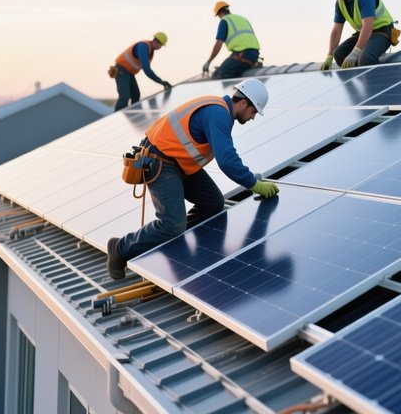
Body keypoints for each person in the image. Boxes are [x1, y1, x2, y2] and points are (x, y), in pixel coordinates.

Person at [106, 79, 279, 278]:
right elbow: (227, 160)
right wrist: (254, 184)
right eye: (253, 111)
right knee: (172, 223)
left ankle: (175, 241)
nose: (253, 117)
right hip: (160, 161)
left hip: (179, 162)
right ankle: (119, 248)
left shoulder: (219, 110)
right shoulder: (218, 114)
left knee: (212, 203)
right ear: (243, 103)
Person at [321, 0, 397, 70]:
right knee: (339, 54)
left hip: (382, 31)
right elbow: (336, 31)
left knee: (366, 58)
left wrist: (355, 52)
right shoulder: (340, 3)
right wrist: (330, 56)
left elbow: (368, 26)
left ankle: (380, 78)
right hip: (363, 33)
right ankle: (361, 77)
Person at [112, 33, 172, 111]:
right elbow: (147, 70)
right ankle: (117, 117)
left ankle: (133, 115)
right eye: (161, 45)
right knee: (125, 96)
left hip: (129, 72)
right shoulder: (143, 47)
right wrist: (161, 81)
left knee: (135, 95)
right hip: (122, 69)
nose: (160, 47)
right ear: (156, 41)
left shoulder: (150, 50)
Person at [202, 1, 261, 79]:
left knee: (219, 75)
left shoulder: (225, 20)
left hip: (243, 55)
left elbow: (219, 43)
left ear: (220, 13)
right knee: (227, 68)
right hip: (255, 55)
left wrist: (208, 61)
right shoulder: (243, 19)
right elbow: (244, 44)